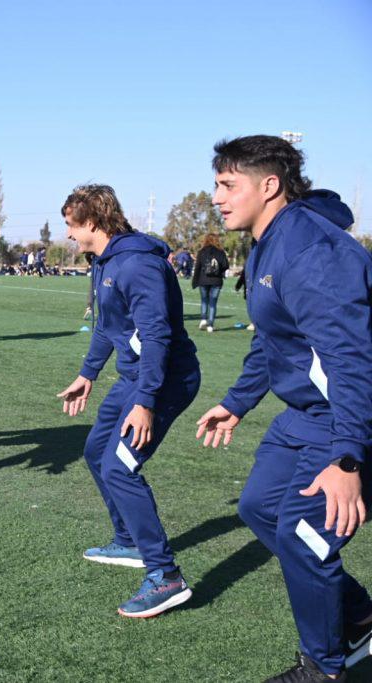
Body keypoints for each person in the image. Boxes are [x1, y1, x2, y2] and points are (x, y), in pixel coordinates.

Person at [195, 135, 372, 682]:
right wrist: (236, 403)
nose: (217, 198)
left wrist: (347, 459)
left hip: (343, 417)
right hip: (306, 414)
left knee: (302, 534)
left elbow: (351, 359)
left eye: (228, 185)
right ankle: (359, 613)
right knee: (259, 507)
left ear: (269, 185)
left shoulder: (312, 251)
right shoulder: (268, 243)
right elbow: (273, 338)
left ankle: (324, 668)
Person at [57, 184, 200, 619]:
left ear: (93, 222)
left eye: (72, 225)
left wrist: (146, 401)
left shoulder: (138, 265)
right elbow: (107, 326)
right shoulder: (104, 261)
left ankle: (166, 575)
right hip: (133, 378)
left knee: (120, 467)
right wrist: (87, 374)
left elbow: (157, 337)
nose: (68, 234)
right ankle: (130, 541)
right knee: (95, 451)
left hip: (164, 381)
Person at [191, 233, 229, 332]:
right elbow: (226, 265)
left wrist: (195, 281)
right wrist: (219, 270)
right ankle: (210, 325)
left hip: (203, 280)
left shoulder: (202, 251)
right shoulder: (221, 252)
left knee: (204, 300)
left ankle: (203, 319)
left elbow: (197, 267)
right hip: (217, 281)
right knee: (213, 303)